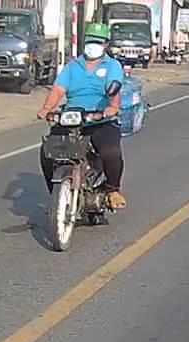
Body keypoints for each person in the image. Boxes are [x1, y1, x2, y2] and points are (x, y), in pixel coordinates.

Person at [36, 23, 127, 209]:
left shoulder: (112, 65)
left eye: (98, 42)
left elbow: (114, 87)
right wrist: (47, 108)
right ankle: (57, 193)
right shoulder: (73, 66)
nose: (93, 45)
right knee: (48, 152)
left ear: (106, 44)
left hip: (100, 119)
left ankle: (113, 190)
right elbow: (58, 89)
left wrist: (112, 106)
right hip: (72, 117)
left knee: (111, 152)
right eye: (90, 41)